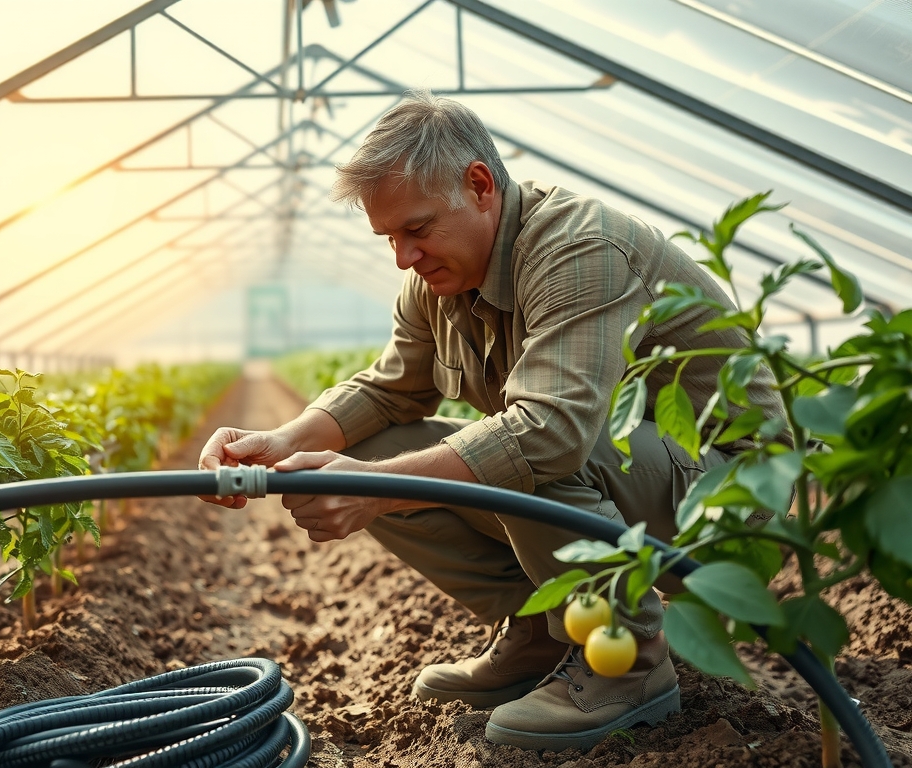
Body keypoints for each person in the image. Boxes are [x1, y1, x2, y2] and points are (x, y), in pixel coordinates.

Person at [196, 90, 785, 751]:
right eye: (390, 238)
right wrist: (279, 442)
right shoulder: (437, 282)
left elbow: (551, 432)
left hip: (730, 499)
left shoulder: (577, 249)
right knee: (385, 444)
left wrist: (373, 486)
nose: (403, 257)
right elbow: (389, 394)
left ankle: (626, 662)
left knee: (527, 450)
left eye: (417, 230)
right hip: (637, 485)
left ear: (479, 185)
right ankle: (540, 632)